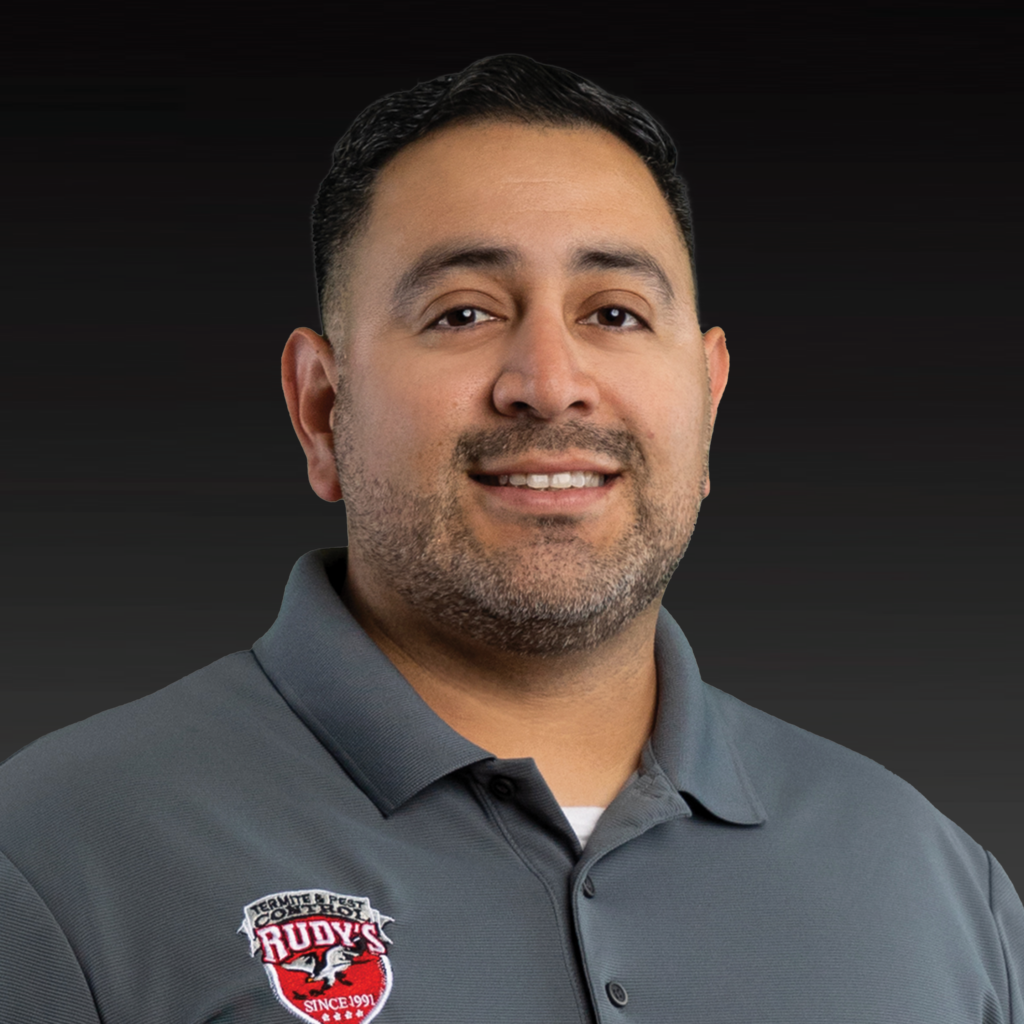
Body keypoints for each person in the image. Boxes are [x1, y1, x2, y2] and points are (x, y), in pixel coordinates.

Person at [1, 53, 1020, 1024]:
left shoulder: (936, 885)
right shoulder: (52, 861)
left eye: (614, 313)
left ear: (706, 403)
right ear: (321, 410)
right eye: (462, 314)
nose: (548, 381)